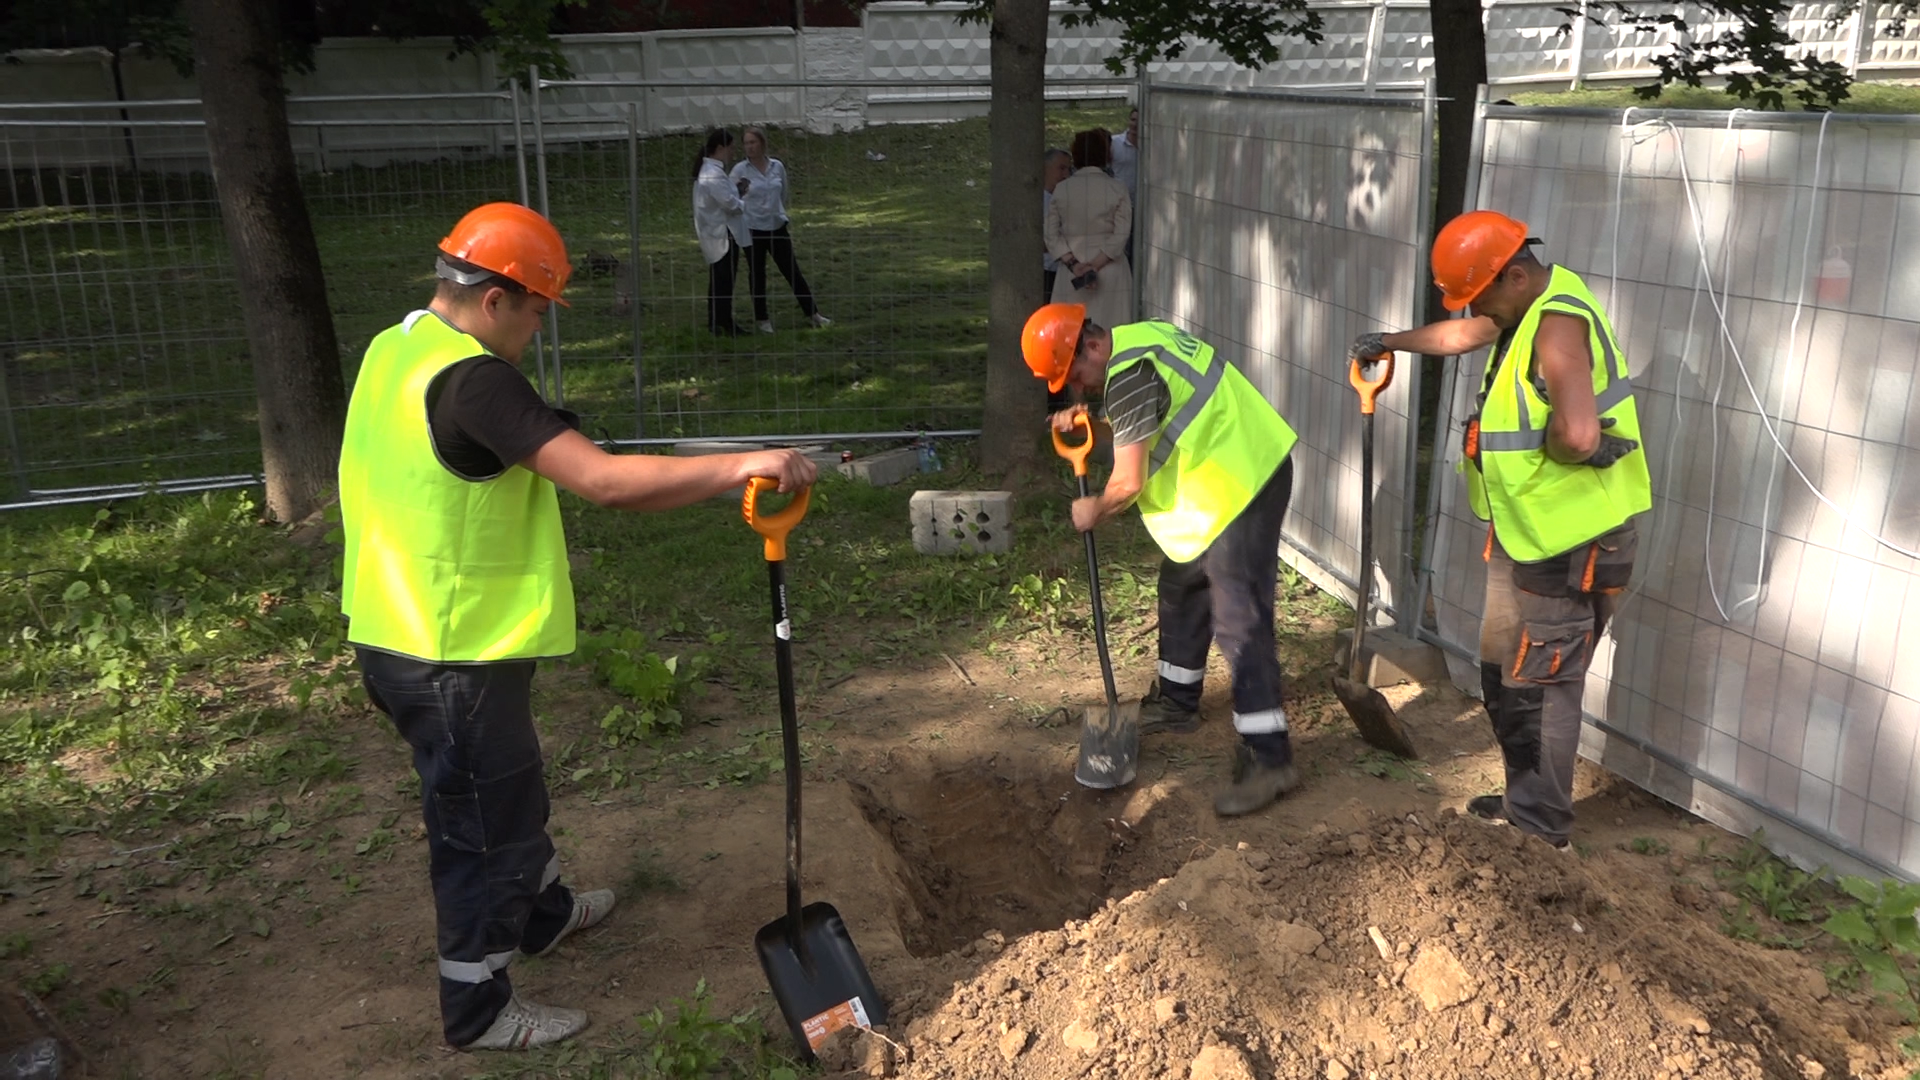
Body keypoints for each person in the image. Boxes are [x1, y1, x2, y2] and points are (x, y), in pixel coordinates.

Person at [338, 202, 817, 1051]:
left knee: (507, 788)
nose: (535, 330)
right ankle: (478, 1006)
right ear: (495, 299)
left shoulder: (397, 346)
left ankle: (545, 913)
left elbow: (455, 449)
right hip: (453, 648)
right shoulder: (478, 380)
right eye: (534, 311)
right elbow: (605, 485)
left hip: (394, 628)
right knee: (484, 824)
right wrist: (742, 465)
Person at [1348, 209, 1650, 850]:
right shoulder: (1524, 306)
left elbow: (1577, 435)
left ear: (1514, 274)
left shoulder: (1559, 324)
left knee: (1541, 684)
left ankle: (1543, 835)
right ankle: (1524, 804)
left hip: (1572, 542)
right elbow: (1462, 337)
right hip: (1527, 535)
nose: (1472, 312)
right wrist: (1392, 341)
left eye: (1477, 295)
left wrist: (1570, 448)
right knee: (1504, 675)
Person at [1022, 302, 1302, 817]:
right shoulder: (1141, 338)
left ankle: (1270, 757)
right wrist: (1098, 424)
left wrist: (1095, 509)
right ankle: (1177, 701)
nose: (1078, 388)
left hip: (1244, 483)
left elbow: (1127, 483)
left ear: (1090, 345)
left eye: (1076, 375)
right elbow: (1157, 420)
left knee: (1239, 617)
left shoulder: (1128, 375)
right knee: (1181, 583)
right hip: (1223, 479)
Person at [729, 126, 831, 334]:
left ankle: (813, 313)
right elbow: (731, 197)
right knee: (757, 274)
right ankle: (762, 319)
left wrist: (776, 211)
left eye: (753, 142)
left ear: (762, 143)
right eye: (746, 143)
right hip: (753, 229)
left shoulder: (777, 166)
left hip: (776, 226)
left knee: (792, 271)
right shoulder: (740, 170)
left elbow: (783, 192)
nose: (749, 147)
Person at [1046, 129, 1133, 331]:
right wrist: (1096, 264)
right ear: (1106, 155)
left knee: (1069, 333)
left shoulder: (1062, 189)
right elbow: (1121, 233)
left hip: (1072, 269)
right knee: (1112, 331)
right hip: (1110, 267)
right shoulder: (1117, 189)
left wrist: (1074, 264)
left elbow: (1051, 234)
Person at [692, 127, 751, 337]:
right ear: (720, 148)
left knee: (719, 280)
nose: (734, 152)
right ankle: (724, 322)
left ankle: (717, 321)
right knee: (724, 281)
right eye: (731, 147)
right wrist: (741, 199)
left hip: (716, 232)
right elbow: (729, 204)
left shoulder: (710, 172)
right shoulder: (713, 174)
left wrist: (735, 190)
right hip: (722, 234)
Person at [1041, 147, 1074, 414]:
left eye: (1069, 169)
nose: (1066, 174)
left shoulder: (1064, 201)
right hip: (1046, 274)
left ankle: (1060, 397)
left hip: (1062, 273)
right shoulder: (1041, 201)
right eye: (1061, 169)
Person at [1109, 108, 1139, 266]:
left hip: (1144, 207)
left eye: (1139, 121)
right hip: (1119, 205)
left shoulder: (1153, 145)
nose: (1135, 124)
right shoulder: (1115, 143)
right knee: (1120, 245)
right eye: (1133, 120)